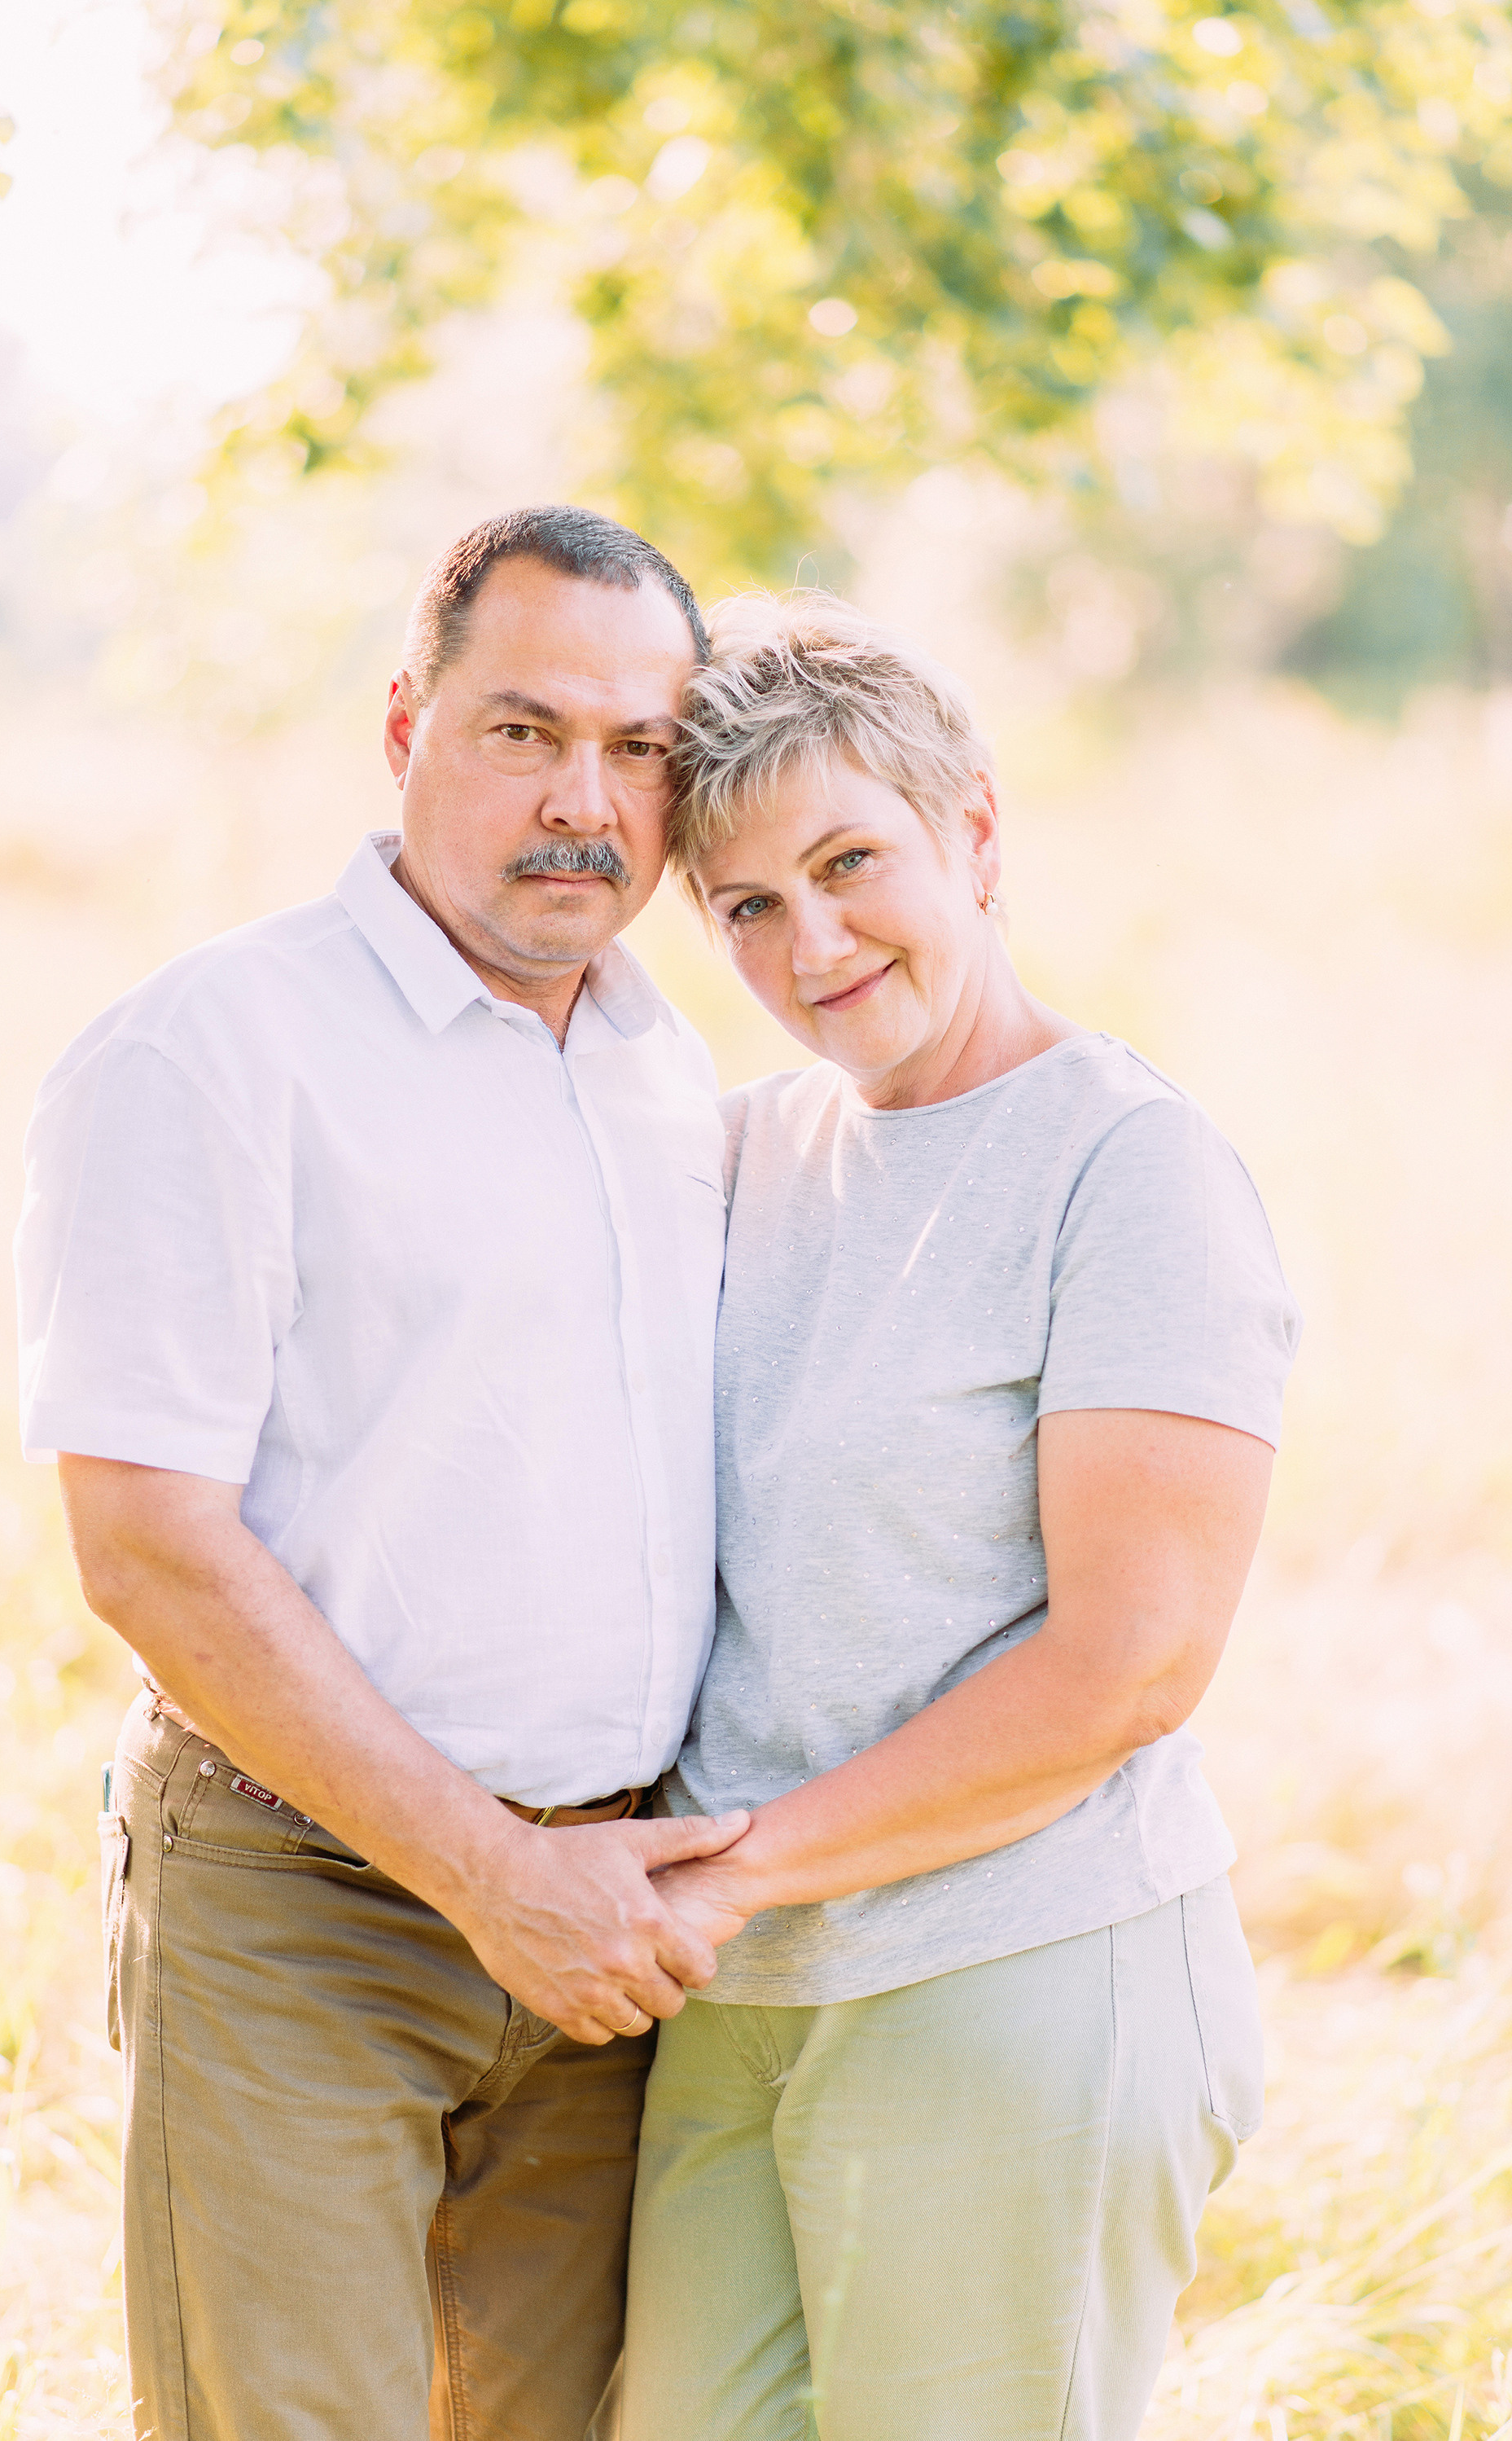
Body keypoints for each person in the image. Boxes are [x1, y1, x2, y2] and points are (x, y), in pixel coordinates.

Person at [15, 506, 750, 2441]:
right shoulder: (214, 1048)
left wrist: (569, 1885)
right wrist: (486, 1871)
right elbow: (146, 1546)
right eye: (523, 731)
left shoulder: (680, 1074)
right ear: (408, 722)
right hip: (307, 1897)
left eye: (640, 747)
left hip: (611, 1917)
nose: (583, 798)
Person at [616, 593, 1303, 2441]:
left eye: (852, 862)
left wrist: (742, 1865)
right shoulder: (746, 1151)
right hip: (741, 1985)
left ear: (977, 833)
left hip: (1014, 1966)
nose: (810, 941)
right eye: (747, 904)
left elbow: (1125, 1664)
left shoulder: (1124, 1167)